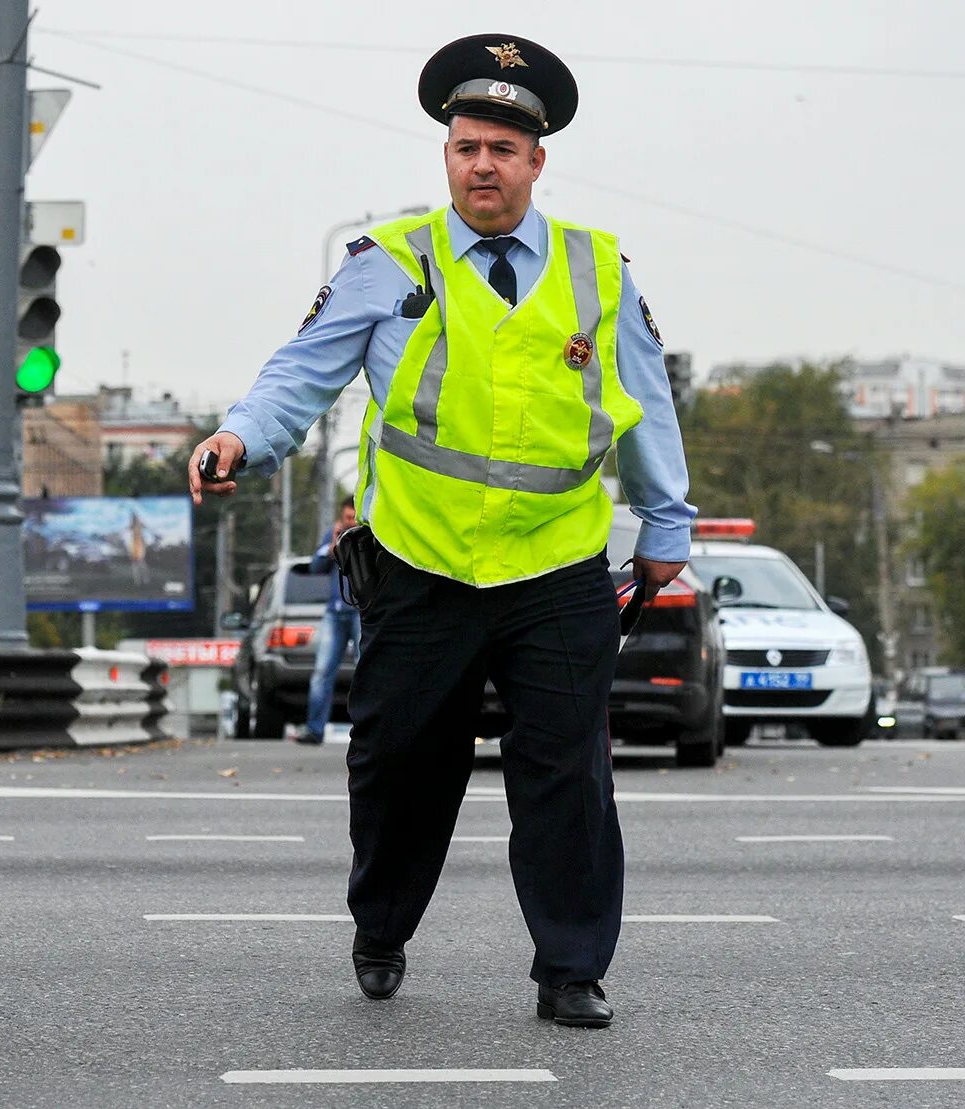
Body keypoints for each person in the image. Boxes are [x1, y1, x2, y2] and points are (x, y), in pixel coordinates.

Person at [189, 35, 696, 1028]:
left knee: (566, 777)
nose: (481, 165)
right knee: (398, 768)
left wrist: (665, 521)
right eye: (466, 146)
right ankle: (381, 922)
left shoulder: (598, 268)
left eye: (503, 149)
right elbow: (302, 372)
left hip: (556, 564)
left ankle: (570, 967)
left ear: (536, 162)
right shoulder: (387, 262)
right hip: (421, 565)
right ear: (446, 156)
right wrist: (239, 436)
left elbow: (647, 404)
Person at [297, 496, 360, 745]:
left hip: (361, 612)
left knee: (365, 669)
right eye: (346, 519)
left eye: (353, 518)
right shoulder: (334, 535)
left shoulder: (368, 536)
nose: (349, 523)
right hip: (335, 612)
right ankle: (314, 729)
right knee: (322, 671)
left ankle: (367, 730)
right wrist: (333, 541)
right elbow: (315, 568)